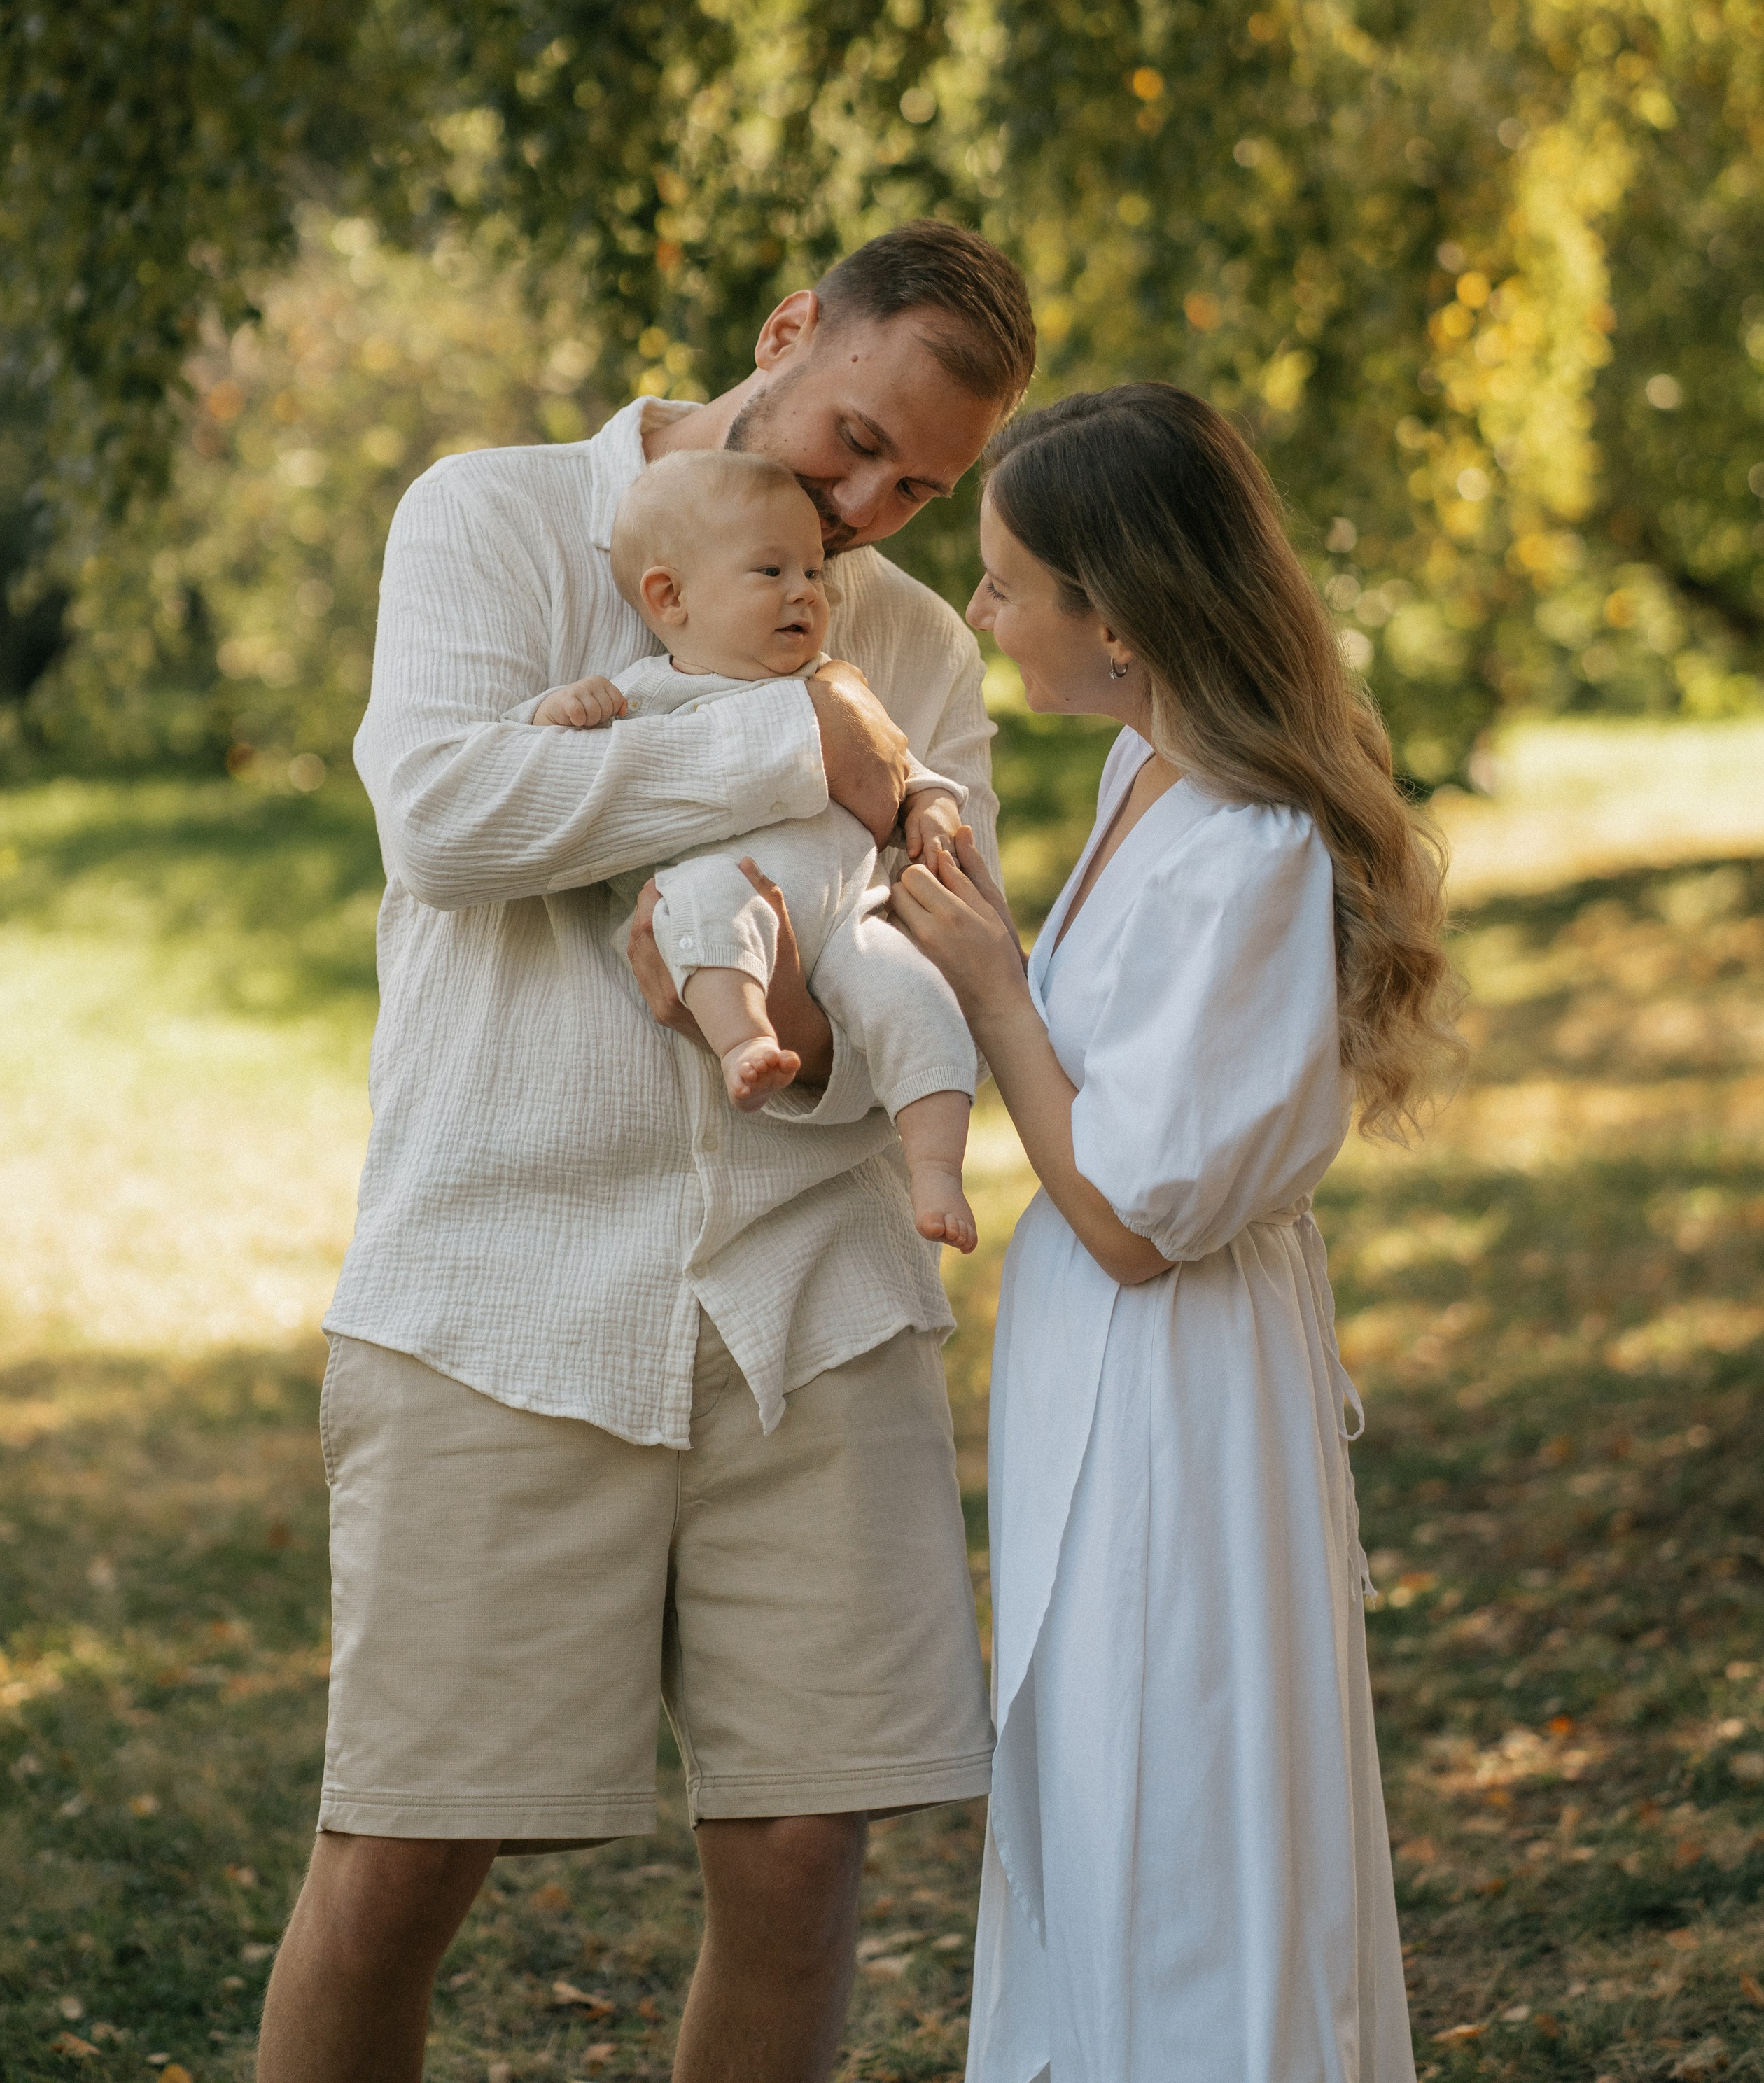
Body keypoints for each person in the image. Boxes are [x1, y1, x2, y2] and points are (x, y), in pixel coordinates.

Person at [255, 220, 1034, 2083]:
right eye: (854, 441)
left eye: (919, 490)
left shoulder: (918, 646)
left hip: (816, 1308)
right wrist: (801, 750)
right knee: (402, 1857)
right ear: (786, 331)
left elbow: (942, 956)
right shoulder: (490, 515)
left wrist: (806, 1017)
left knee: (803, 1862)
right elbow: (447, 817)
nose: (864, 512)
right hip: (495, 1294)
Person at [892, 384, 1461, 2083]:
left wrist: (992, 987)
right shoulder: (1140, 767)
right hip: (1094, 1355)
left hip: (1178, 1379)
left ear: (1119, 617)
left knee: (1178, 1793)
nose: (976, 611)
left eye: (1005, 584)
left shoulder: (1249, 846)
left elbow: (1139, 1216)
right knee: (1092, 1776)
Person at [530, 447, 979, 1247]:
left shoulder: (838, 684)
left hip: (849, 922)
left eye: (813, 573)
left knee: (919, 1001)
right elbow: (544, 770)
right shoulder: (649, 692)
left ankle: (938, 1170)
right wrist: (560, 707)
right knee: (700, 902)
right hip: (730, 891)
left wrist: (933, 808)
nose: (805, 591)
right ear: (670, 597)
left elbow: (908, 769)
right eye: (771, 571)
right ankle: (746, 1042)